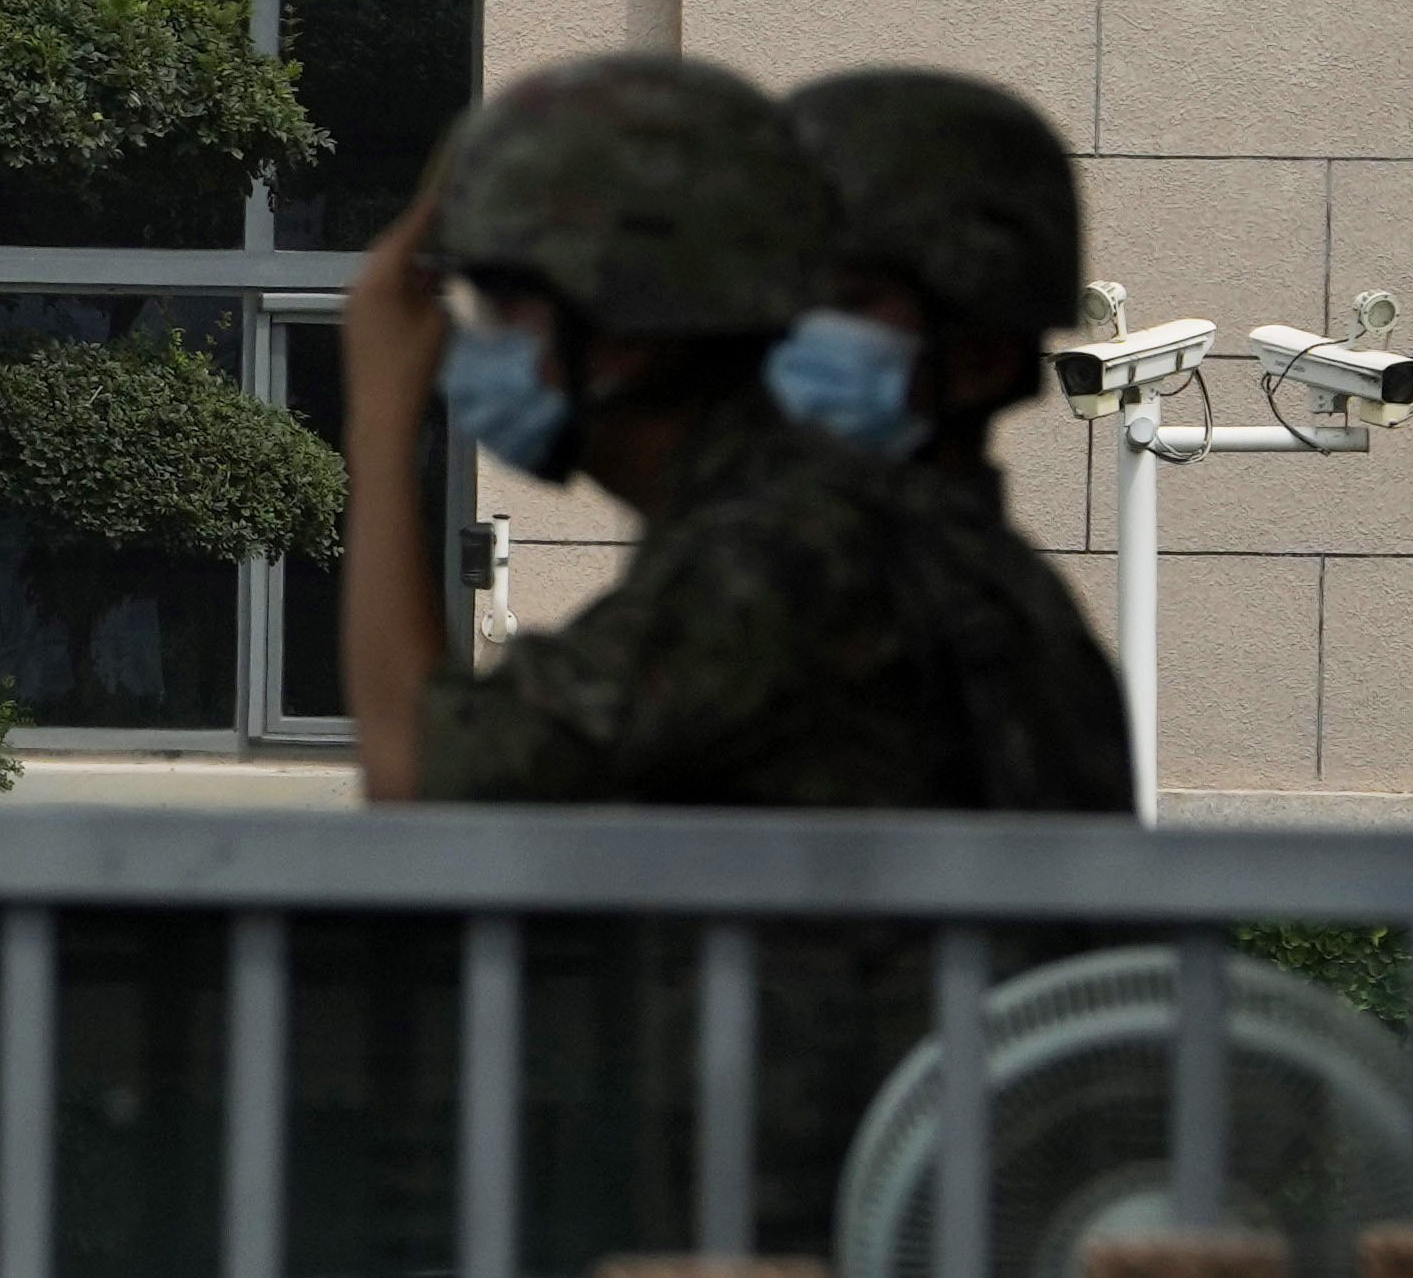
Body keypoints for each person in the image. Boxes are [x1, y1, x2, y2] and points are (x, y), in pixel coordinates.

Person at [341, 52, 1064, 809]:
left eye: (504, 300)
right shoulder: (842, 529)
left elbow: (419, 779)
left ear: (623, 337)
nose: (473, 333)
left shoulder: (780, 558)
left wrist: (383, 428)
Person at [782, 62, 1138, 817]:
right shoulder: (982, 579)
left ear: (980, 359)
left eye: (847, 300)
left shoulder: (836, 577)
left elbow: (485, 773)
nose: (785, 328)